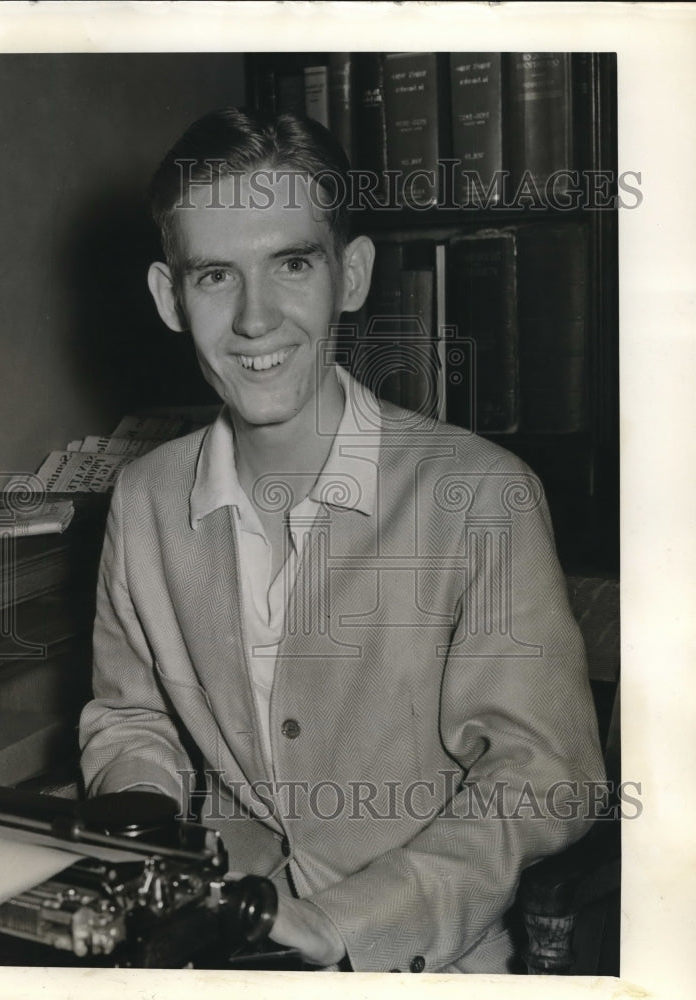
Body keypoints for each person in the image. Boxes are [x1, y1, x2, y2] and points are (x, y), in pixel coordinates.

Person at [79, 107, 605, 973]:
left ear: (350, 275)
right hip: (215, 945)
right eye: (214, 275)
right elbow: (132, 714)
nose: (255, 318)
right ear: (169, 298)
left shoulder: (478, 492)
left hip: (426, 957)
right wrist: (148, 825)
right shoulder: (142, 497)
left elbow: (544, 776)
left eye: (291, 263)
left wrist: (343, 924)